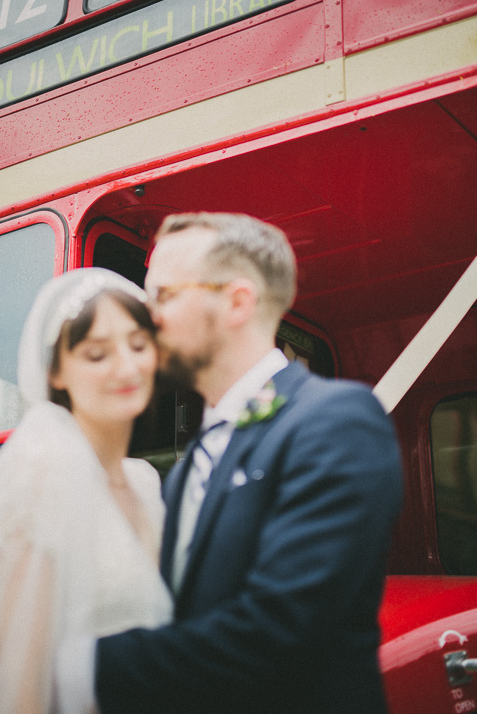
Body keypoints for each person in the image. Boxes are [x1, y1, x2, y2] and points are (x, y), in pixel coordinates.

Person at [57, 212, 404, 714]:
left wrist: (81, 669)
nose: (145, 317)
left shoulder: (337, 420)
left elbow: (280, 632)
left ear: (238, 301)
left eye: (164, 296)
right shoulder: (192, 462)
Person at [0, 268, 173, 714]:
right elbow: (23, 687)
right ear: (56, 371)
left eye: (137, 344)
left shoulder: (145, 483)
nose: (127, 367)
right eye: (96, 354)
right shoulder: (44, 485)